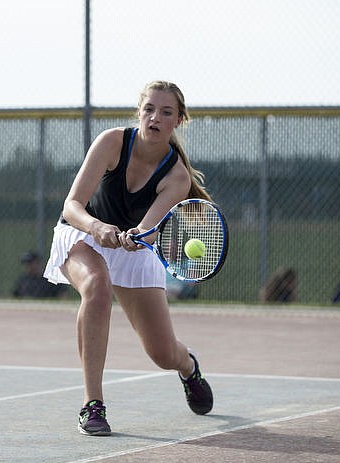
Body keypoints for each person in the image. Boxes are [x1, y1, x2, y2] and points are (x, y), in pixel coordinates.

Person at [43, 80, 213, 436]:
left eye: (166, 112)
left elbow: (148, 229)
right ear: (139, 112)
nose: (155, 117)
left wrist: (137, 236)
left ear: (178, 121)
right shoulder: (112, 142)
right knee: (97, 287)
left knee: (162, 354)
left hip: (129, 245)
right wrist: (96, 227)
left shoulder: (176, 177)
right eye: (149, 109)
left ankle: (188, 366)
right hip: (81, 233)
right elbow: (71, 206)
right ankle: (93, 405)